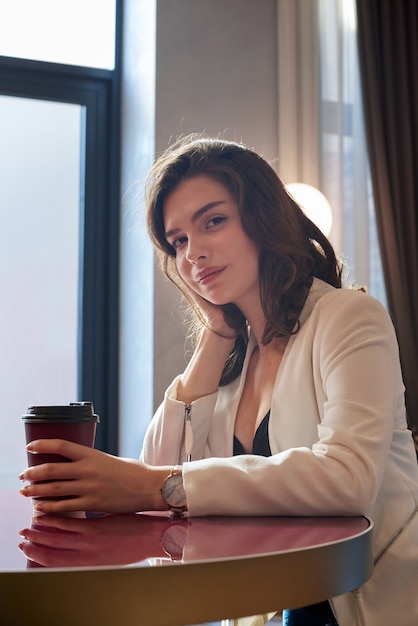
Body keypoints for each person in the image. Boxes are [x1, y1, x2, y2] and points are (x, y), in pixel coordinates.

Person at [19, 135, 418, 626]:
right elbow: (163, 472)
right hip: (269, 602)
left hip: (364, 602)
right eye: (179, 241)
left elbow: (349, 478)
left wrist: (153, 486)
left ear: (264, 217)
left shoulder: (348, 317)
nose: (194, 254)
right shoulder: (237, 352)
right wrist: (219, 330)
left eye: (213, 221)